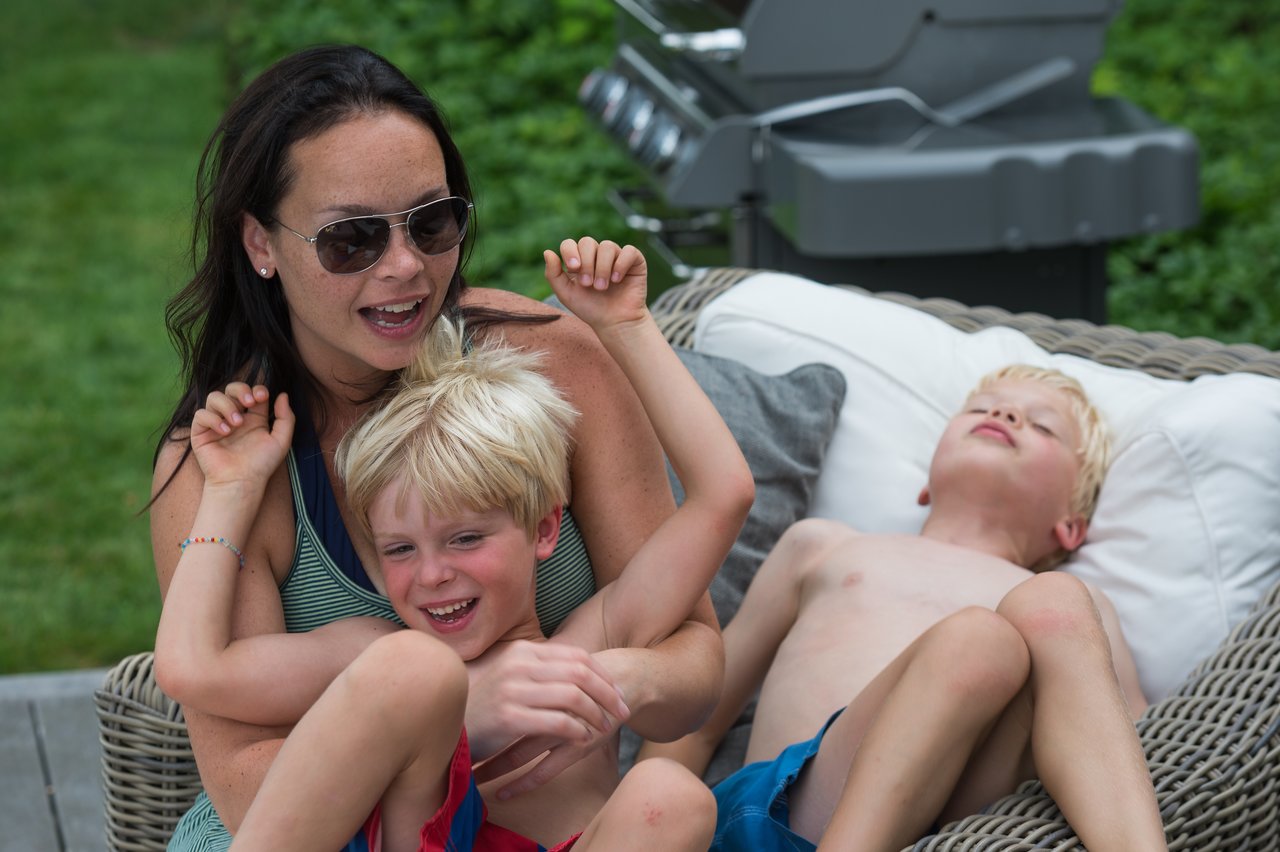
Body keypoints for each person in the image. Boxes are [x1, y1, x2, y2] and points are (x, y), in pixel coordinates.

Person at [148, 44, 724, 849]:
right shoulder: (229, 465)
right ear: (261, 245)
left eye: (432, 222)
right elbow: (246, 787)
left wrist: (599, 678)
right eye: (351, 240)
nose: (407, 267)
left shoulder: (556, 365)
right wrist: (467, 711)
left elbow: (693, 655)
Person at [643, 364, 1169, 851]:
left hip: (950, 827)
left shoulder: (1076, 609)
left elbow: (1130, 747)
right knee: (977, 641)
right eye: (982, 407)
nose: (1004, 415)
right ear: (925, 484)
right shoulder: (825, 545)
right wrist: (635, 804)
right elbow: (701, 714)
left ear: (1071, 525)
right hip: (779, 813)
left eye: (1043, 426)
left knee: (1053, 603)